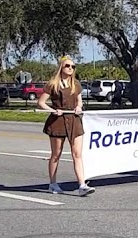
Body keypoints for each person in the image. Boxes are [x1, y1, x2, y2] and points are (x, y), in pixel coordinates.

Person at [36, 56, 95, 196]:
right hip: (58, 122)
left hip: (74, 121)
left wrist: (79, 107)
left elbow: (79, 102)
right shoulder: (53, 84)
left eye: (73, 66)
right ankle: (53, 184)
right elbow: (41, 103)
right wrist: (53, 110)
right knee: (56, 154)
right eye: (67, 66)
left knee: (77, 154)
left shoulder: (76, 84)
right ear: (61, 67)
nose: (70, 68)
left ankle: (82, 185)